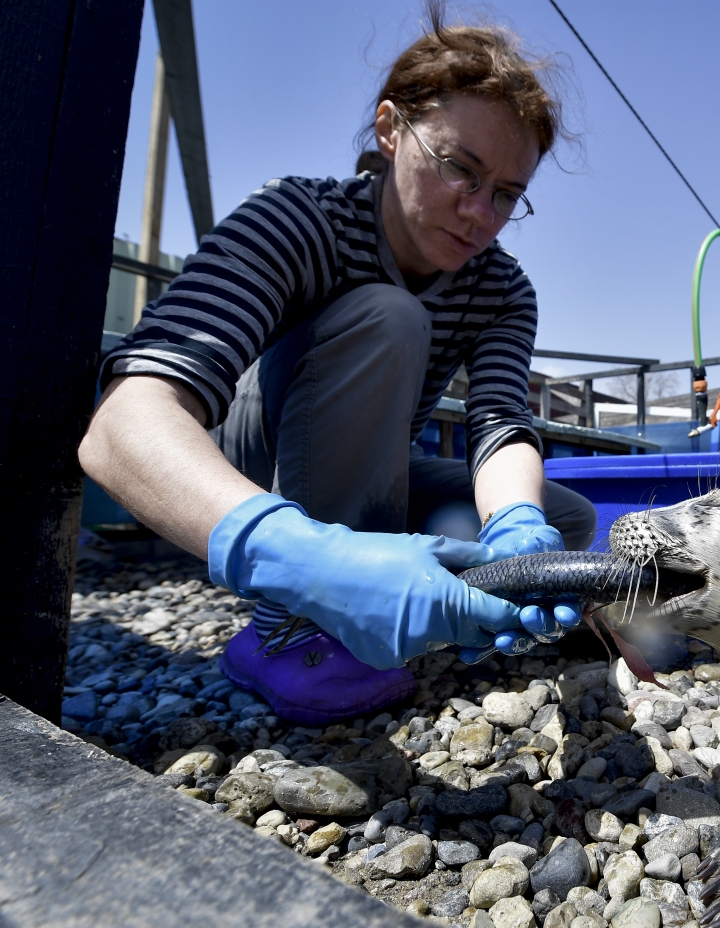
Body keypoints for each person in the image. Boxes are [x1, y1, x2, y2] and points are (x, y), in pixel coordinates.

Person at [78, 9, 596, 726]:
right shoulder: (296, 219)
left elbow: (500, 424)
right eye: (459, 169)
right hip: (248, 466)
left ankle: (432, 600)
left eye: (507, 194)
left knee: (562, 519)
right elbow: (122, 425)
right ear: (391, 129)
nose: (479, 213)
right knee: (391, 316)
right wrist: (306, 561)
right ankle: (286, 626)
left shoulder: (501, 289)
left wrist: (515, 528)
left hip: (358, 470)